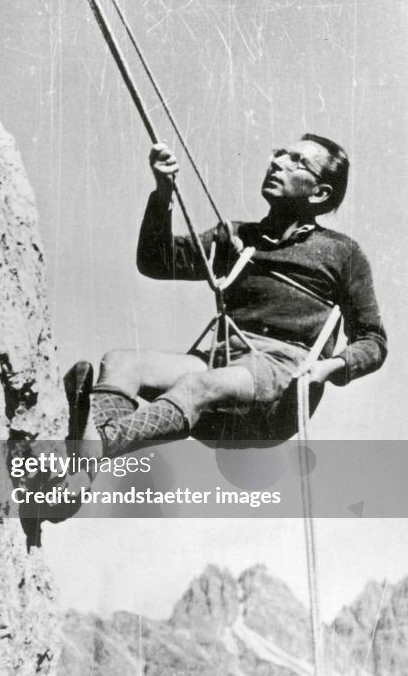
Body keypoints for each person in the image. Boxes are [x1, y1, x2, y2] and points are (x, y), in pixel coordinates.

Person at [66, 134, 387, 453]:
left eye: (297, 162)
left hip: (279, 384)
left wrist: (328, 368)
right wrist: (163, 194)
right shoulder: (237, 237)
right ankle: (83, 463)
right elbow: (155, 261)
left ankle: (94, 448)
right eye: (279, 154)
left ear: (319, 192)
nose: (277, 162)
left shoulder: (341, 253)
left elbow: (372, 340)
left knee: (196, 386)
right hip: (222, 364)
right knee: (122, 362)